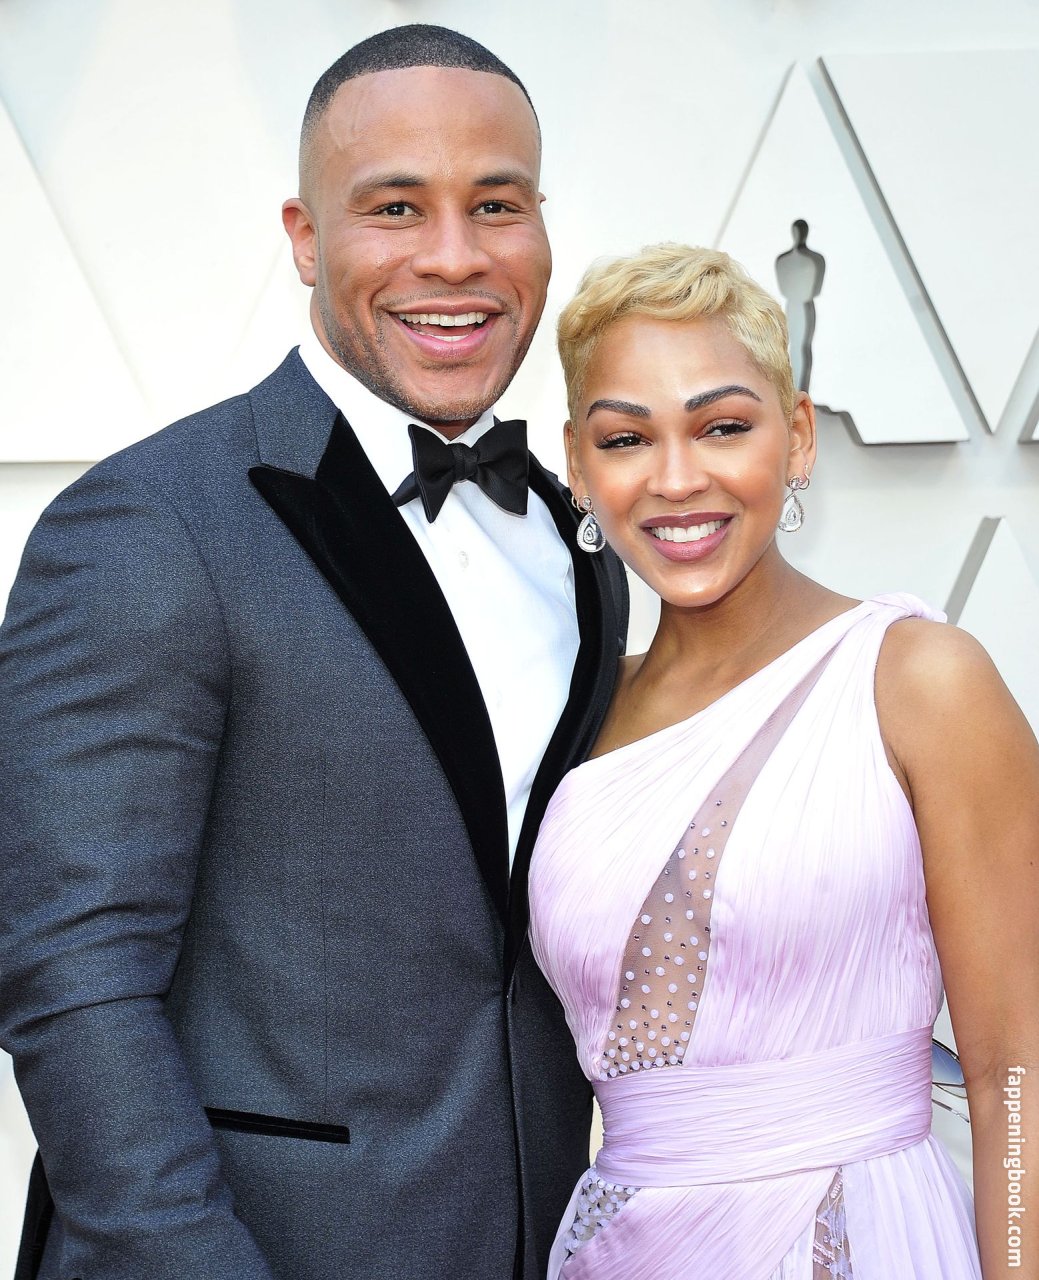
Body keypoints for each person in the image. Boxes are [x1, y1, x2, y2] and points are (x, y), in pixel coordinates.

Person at [0, 25, 627, 1280]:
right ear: (303, 236)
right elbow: (74, 980)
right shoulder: (151, 524)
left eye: (495, 204)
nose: (454, 256)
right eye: (395, 207)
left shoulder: (580, 537)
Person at [528, 243, 1038, 1278]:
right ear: (578, 465)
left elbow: (1015, 1076)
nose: (678, 478)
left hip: (868, 1239)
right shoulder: (569, 718)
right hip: (620, 1250)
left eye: (722, 426)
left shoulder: (919, 680)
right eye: (626, 438)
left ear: (796, 434)